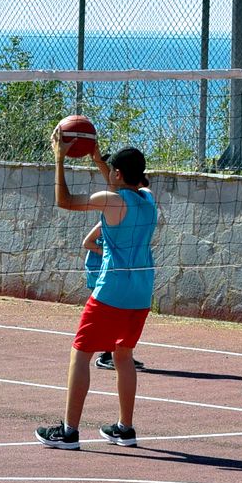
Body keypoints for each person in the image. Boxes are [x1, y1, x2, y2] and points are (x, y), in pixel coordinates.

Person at [36, 130, 157, 450]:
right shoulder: (149, 199)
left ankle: (69, 431)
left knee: (81, 353)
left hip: (111, 292)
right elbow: (124, 183)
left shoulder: (110, 201)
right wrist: (99, 160)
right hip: (142, 293)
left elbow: (64, 201)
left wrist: (60, 158)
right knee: (124, 356)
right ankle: (125, 428)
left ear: (117, 174)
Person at [84, 225, 143, 372]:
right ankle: (105, 356)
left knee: (122, 312)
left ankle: (120, 354)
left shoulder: (131, 223)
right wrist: (107, 254)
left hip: (117, 272)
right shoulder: (105, 223)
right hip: (99, 270)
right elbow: (87, 242)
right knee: (109, 313)